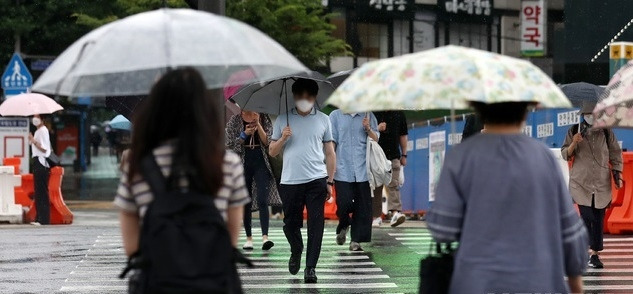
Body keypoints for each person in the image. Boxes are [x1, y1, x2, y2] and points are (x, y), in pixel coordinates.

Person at [427, 102, 588, 294]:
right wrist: (575, 282)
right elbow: (569, 229)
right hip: (537, 281)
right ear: (525, 110)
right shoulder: (543, 157)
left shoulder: (460, 157)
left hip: (476, 282)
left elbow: (443, 229)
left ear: (478, 110)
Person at [114, 68, 250, 288]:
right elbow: (231, 238)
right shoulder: (227, 164)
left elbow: (132, 247)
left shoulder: (137, 165)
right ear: (204, 110)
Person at [269, 78, 336, 284]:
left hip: (316, 179)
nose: (304, 99)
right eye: (300, 95)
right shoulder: (283, 119)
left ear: (314, 97)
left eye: (308, 96)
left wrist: (330, 181)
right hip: (290, 181)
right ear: (294, 96)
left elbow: (330, 152)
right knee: (291, 224)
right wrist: (283, 138)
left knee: (316, 224)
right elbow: (272, 151)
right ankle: (296, 249)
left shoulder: (324, 120)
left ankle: (310, 268)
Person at [561, 102, 623, 269]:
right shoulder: (574, 130)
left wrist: (618, 174)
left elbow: (615, 153)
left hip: (601, 182)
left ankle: (595, 254)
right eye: (588, 114)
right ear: (583, 115)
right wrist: (574, 143)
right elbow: (565, 154)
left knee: (598, 218)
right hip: (581, 183)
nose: (591, 116)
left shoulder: (606, 131)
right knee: (587, 217)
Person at [226, 110, 282, 251]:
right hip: (242, 162)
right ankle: (248, 238)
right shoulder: (235, 119)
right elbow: (229, 143)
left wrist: (258, 125)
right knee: (246, 201)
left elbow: (268, 141)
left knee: (263, 199)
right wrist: (244, 135)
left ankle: (265, 237)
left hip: (261, 162)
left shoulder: (263, 117)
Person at [330, 110, 378, 251]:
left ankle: (356, 240)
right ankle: (344, 223)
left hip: (363, 168)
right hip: (342, 168)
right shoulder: (335, 116)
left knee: (362, 206)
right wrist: (330, 166)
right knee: (343, 202)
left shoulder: (368, 115)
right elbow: (331, 143)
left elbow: (376, 139)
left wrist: (368, 129)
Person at [372, 111, 408, 227]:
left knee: (394, 184)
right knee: (376, 186)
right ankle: (376, 216)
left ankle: (395, 213)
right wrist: (377, 128)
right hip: (376, 155)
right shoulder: (373, 113)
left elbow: (403, 135)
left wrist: (404, 154)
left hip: (393, 155)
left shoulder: (399, 114)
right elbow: (367, 132)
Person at [29, 114, 51, 225]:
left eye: (37, 117)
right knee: (38, 191)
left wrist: (33, 140)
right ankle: (39, 218)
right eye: (34, 116)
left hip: (41, 162)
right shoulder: (39, 131)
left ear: (42, 119)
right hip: (38, 161)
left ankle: (44, 219)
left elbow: (44, 149)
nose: (35, 119)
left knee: (41, 191)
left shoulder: (42, 131)